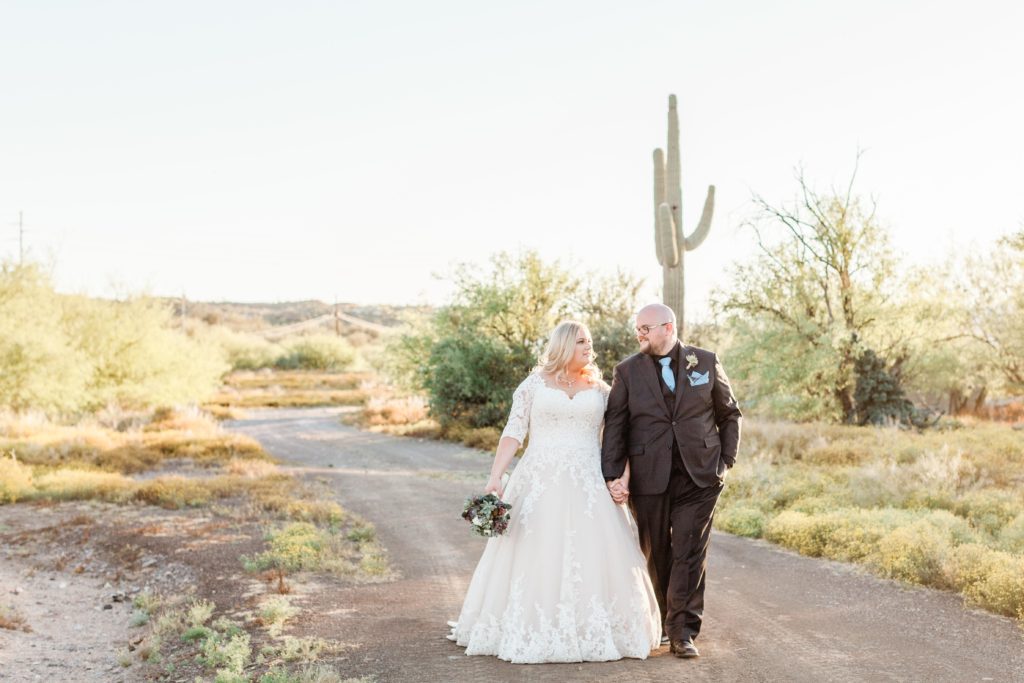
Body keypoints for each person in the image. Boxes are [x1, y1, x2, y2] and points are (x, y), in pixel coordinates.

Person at [448, 320, 661, 664]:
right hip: (539, 479)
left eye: (589, 341)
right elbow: (513, 432)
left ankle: (595, 628)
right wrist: (495, 476)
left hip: (589, 480)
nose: (588, 347)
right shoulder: (533, 385)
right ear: (563, 345)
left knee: (593, 552)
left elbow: (619, 439)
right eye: (580, 341)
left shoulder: (603, 390)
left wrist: (622, 478)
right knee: (536, 550)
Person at [602, 303, 742, 659]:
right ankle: (662, 621)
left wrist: (725, 461)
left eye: (645, 329)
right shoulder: (627, 371)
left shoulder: (705, 361)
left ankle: (683, 632)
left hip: (701, 475)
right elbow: (616, 425)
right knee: (657, 552)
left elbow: (729, 414)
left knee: (689, 552)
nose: (639, 335)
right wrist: (613, 475)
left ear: (668, 327)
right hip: (650, 477)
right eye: (638, 330)